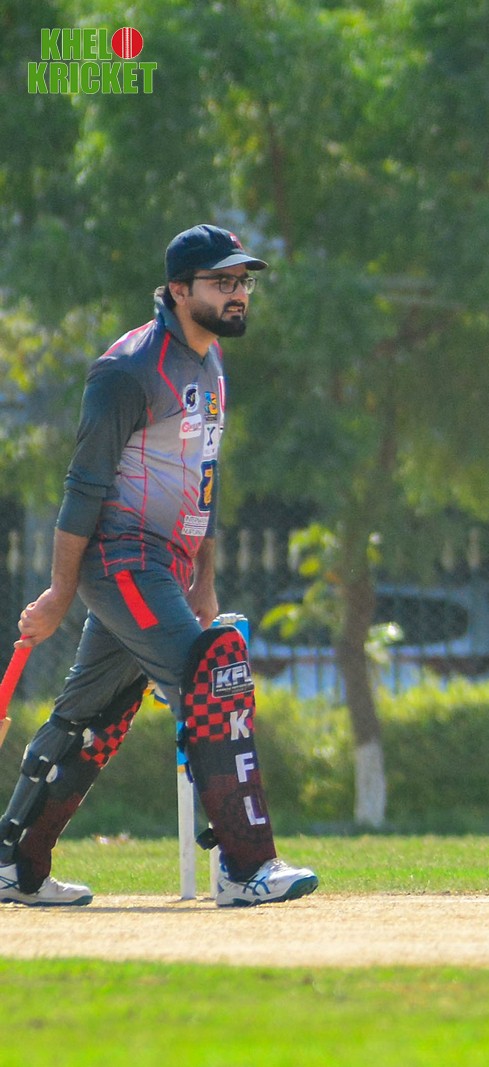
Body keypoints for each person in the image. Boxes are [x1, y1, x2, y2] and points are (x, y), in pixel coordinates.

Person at [0, 224, 318, 907]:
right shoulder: (128, 369)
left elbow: (206, 477)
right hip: (122, 558)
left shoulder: (211, 363)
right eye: (222, 282)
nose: (238, 293)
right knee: (213, 685)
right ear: (178, 289)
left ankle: (13, 863)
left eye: (242, 282)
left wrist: (204, 578)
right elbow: (83, 485)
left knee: (92, 713)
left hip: (165, 568)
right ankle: (245, 867)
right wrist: (59, 590)